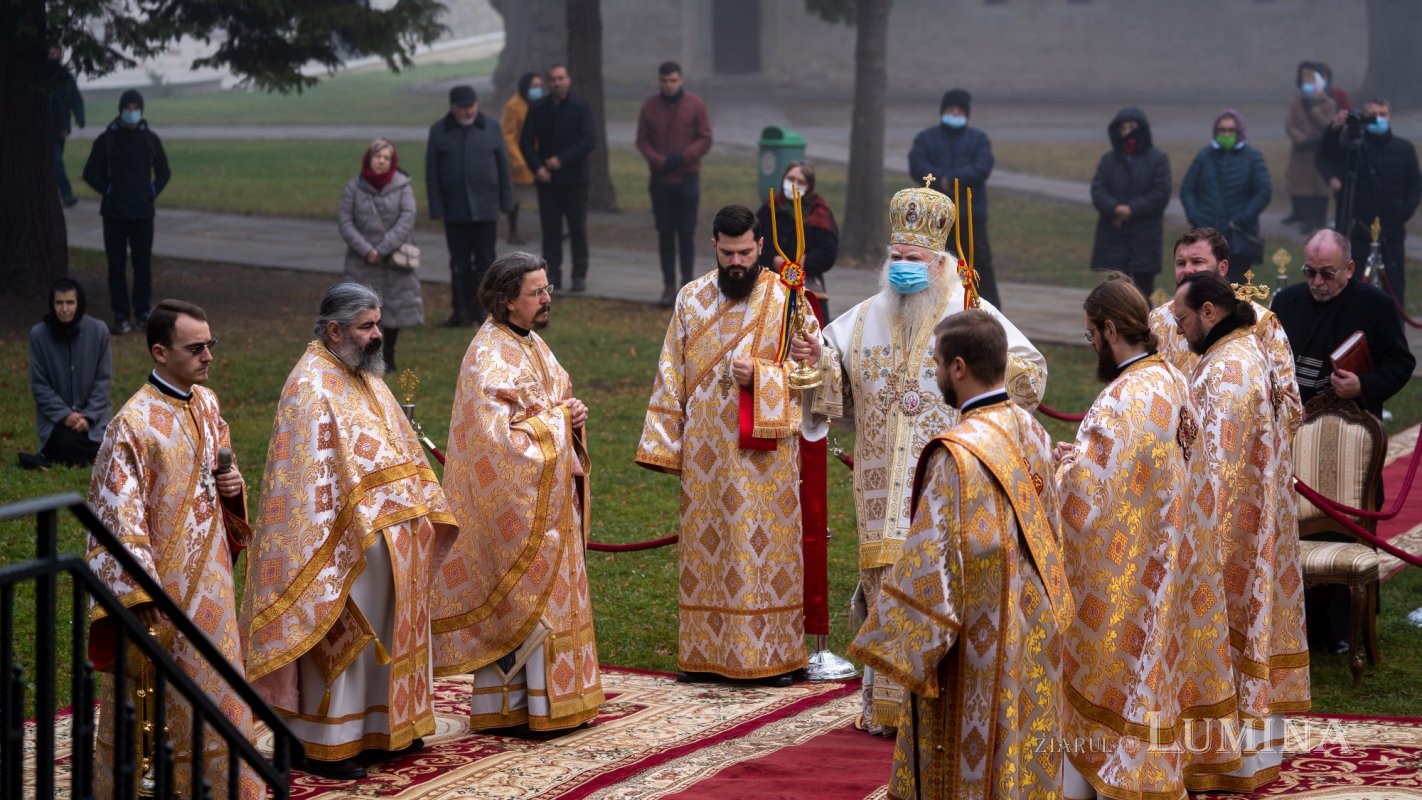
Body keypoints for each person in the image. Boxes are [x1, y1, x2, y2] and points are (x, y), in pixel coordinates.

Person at [813, 180, 1046, 735]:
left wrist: (994, 378)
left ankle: (937, 710)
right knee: (883, 585)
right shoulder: (866, 315)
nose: (901, 268)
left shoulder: (972, 313)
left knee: (941, 587)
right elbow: (833, 384)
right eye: (894, 258)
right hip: (877, 484)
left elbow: (1030, 374)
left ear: (938, 262)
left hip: (946, 481)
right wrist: (815, 361)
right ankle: (885, 708)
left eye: (912, 259)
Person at [849, 309, 1069, 800]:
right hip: (1032, 616)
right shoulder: (1031, 430)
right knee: (1020, 744)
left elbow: (930, 563)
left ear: (960, 368)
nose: (934, 371)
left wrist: (902, 646)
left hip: (977, 638)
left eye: (937, 362)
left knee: (972, 754)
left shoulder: (956, 453)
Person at [241, 282, 457, 781]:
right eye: (367, 326)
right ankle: (324, 742)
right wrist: (360, 523)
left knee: (388, 638)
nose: (377, 334)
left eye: (377, 323)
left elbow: (398, 447)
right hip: (339, 547)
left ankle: (384, 728)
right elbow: (306, 484)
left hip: (392, 539)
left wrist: (421, 507)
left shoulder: (366, 377)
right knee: (348, 643)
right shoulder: (310, 386)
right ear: (335, 330)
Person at [1054, 275, 1238, 798]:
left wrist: (1058, 469)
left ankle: (1104, 777)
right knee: (1153, 675)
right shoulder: (1172, 381)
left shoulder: (1119, 401)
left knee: (1117, 673)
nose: (1091, 345)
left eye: (1091, 334)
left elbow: (1085, 501)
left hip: (1127, 574)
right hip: (1170, 558)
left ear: (1110, 329)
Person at [635, 205, 822, 686]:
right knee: (708, 546)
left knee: (764, 551)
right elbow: (669, 371)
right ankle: (705, 654)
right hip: (706, 453)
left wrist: (764, 375)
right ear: (714, 247)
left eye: (744, 252)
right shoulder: (691, 298)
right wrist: (664, 443)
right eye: (727, 252)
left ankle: (776, 656)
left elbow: (816, 376)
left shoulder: (788, 299)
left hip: (766, 458)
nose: (736, 261)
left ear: (761, 246)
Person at [87, 299, 260, 799]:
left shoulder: (206, 403)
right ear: (160, 352)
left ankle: (227, 786)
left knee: (220, 685)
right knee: (163, 700)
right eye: (196, 347)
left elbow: (220, 473)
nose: (208, 356)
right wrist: (145, 599)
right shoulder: (132, 425)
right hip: (164, 594)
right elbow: (119, 519)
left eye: (211, 345)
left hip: (214, 583)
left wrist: (233, 487)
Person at [431, 252, 603, 733]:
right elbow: (497, 443)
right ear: (508, 301)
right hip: (519, 507)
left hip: (549, 500)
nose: (548, 299)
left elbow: (550, 404)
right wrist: (558, 422)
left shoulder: (530, 343)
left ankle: (560, 701)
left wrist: (571, 416)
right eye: (537, 292)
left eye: (548, 289)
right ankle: (520, 707)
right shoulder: (488, 356)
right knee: (523, 602)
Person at [1173, 270, 1310, 791]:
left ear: (1210, 312)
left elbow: (1216, 472)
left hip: (1227, 539)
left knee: (1223, 646)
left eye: (1185, 319)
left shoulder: (1227, 371)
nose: (1181, 331)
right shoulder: (1245, 352)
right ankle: (1243, 761)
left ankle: (1219, 764)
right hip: (1255, 532)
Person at [1147, 228, 1301, 439]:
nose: (1188, 270)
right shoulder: (1158, 321)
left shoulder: (1262, 323)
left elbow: (1289, 403)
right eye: (1181, 263)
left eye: (1197, 262)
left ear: (1223, 267)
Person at [1272, 228, 1414, 422]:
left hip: (1351, 423)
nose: (1317, 281)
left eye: (1327, 273)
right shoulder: (1286, 302)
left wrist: (1363, 386)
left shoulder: (1376, 305)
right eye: (1309, 272)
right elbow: (1268, 361)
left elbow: (1399, 363)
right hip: (1292, 420)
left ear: (1349, 269)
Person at [82, 89, 171, 335]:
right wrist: (107, 189)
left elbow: (164, 171)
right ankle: (120, 312)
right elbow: (90, 173)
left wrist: (152, 191)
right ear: (121, 109)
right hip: (114, 213)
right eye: (127, 108)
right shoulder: (106, 139)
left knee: (143, 265)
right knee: (116, 265)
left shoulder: (150, 139)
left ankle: (142, 310)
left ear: (141, 111)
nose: (131, 112)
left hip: (143, 213)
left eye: (135, 108)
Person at [426, 84, 513, 328]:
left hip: (486, 209)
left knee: (486, 262)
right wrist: (436, 206)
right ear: (453, 108)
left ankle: (485, 313)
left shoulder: (491, 127)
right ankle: (460, 312)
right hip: (455, 210)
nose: (468, 111)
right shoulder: (440, 131)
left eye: (472, 106)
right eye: (463, 108)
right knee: (459, 263)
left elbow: (503, 167)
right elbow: (432, 172)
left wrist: (507, 200)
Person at [1318, 97, 1421, 301]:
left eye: (1382, 114)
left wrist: (1401, 213)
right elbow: (1327, 154)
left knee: (1394, 289)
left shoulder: (1404, 149)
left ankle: (1392, 331)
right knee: (1354, 288)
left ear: (1389, 116)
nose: (1378, 119)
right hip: (1359, 230)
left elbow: (1415, 185)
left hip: (1391, 231)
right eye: (1373, 115)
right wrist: (1335, 129)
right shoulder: (1353, 148)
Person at [908, 88, 998, 308]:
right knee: (936, 263)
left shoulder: (978, 139)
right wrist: (941, 180)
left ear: (966, 113)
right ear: (942, 111)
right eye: (950, 109)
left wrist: (953, 180)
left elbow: (982, 166)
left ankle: (987, 309)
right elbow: (917, 164)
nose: (954, 113)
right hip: (935, 218)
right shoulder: (926, 138)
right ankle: (932, 306)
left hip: (970, 216)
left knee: (978, 265)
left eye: (959, 110)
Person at [338, 137, 421, 372]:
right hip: (361, 261)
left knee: (393, 309)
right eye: (378, 156)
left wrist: (382, 249)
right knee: (360, 310)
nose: (381, 161)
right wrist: (367, 250)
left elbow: (407, 218)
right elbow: (345, 221)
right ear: (369, 158)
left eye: (386, 158)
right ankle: (362, 355)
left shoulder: (403, 186)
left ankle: (389, 356)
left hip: (393, 260)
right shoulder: (354, 187)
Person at [637, 60, 714, 307]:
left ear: (681, 80)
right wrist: (658, 160)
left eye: (673, 80)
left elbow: (705, 138)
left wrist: (683, 157)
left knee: (687, 233)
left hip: (687, 178)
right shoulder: (650, 106)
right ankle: (668, 285)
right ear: (659, 81)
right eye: (664, 81)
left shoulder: (695, 105)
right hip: (660, 180)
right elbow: (642, 139)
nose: (668, 85)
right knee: (666, 234)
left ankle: (686, 286)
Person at [521, 64, 597, 293]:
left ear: (568, 80)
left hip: (575, 180)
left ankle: (579, 275)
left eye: (561, 78)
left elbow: (588, 141)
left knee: (577, 230)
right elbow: (524, 143)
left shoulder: (581, 108)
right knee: (550, 232)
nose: (557, 82)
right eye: (553, 79)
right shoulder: (537, 108)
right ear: (548, 81)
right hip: (547, 181)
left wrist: (561, 160)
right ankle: (552, 277)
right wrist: (537, 168)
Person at [1180, 109, 1271, 283]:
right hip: (1206, 237)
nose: (1227, 134)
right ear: (1216, 132)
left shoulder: (1253, 157)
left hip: (1238, 237)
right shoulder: (1204, 156)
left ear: (1239, 131)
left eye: (1231, 130)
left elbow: (1263, 192)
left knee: (1237, 290)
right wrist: (1195, 217)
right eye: (1223, 130)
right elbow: (1187, 189)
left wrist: (1241, 219)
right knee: (1204, 287)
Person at [1090, 107, 1172, 299]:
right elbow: (1098, 190)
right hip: (1113, 238)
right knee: (1114, 294)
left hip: (1144, 239)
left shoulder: (1157, 159)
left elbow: (1160, 193)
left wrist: (1132, 209)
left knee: (1143, 294)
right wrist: (1115, 208)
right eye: (1124, 127)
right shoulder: (1108, 160)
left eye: (1132, 127)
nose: (1128, 132)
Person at [28, 278, 111, 467]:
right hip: (56, 421)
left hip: (95, 419)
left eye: (70, 302)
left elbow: (103, 381)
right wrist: (65, 415)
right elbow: (40, 385)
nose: (64, 308)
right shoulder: (39, 335)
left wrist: (89, 416)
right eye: (59, 303)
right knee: (65, 445)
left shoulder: (99, 331)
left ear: (78, 303)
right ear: (52, 304)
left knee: (106, 447)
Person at [755, 160, 837, 315]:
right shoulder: (770, 208)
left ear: (809, 186)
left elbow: (828, 252)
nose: (794, 184)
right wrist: (773, 259)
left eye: (800, 181)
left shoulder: (819, 212)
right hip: (769, 284)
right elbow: (753, 241)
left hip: (807, 287)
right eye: (791, 179)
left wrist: (802, 262)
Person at [1282, 62, 1338, 234]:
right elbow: (1290, 125)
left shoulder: (1328, 103)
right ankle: (1306, 218)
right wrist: (1301, 139)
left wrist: (1313, 110)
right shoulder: (1296, 102)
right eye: (1305, 81)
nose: (1307, 85)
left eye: (1311, 81)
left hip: (1320, 151)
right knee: (1302, 186)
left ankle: (1319, 218)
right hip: (1302, 151)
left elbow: (1329, 125)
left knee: (1320, 188)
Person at [501, 72, 545, 245]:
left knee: (546, 195)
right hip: (521, 159)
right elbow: (508, 135)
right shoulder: (514, 106)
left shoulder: (538, 103)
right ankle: (512, 231)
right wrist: (517, 160)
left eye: (539, 86)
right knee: (516, 198)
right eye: (534, 86)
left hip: (538, 156)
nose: (537, 90)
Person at [49, 45, 85, 208]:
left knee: (53, 163)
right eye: (51, 52)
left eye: (57, 52)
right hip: (44, 129)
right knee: (55, 161)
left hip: (60, 129)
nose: (54, 55)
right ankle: (66, 194)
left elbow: (75, 99)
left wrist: (80, 117)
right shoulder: (40, 77)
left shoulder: (65, 78)